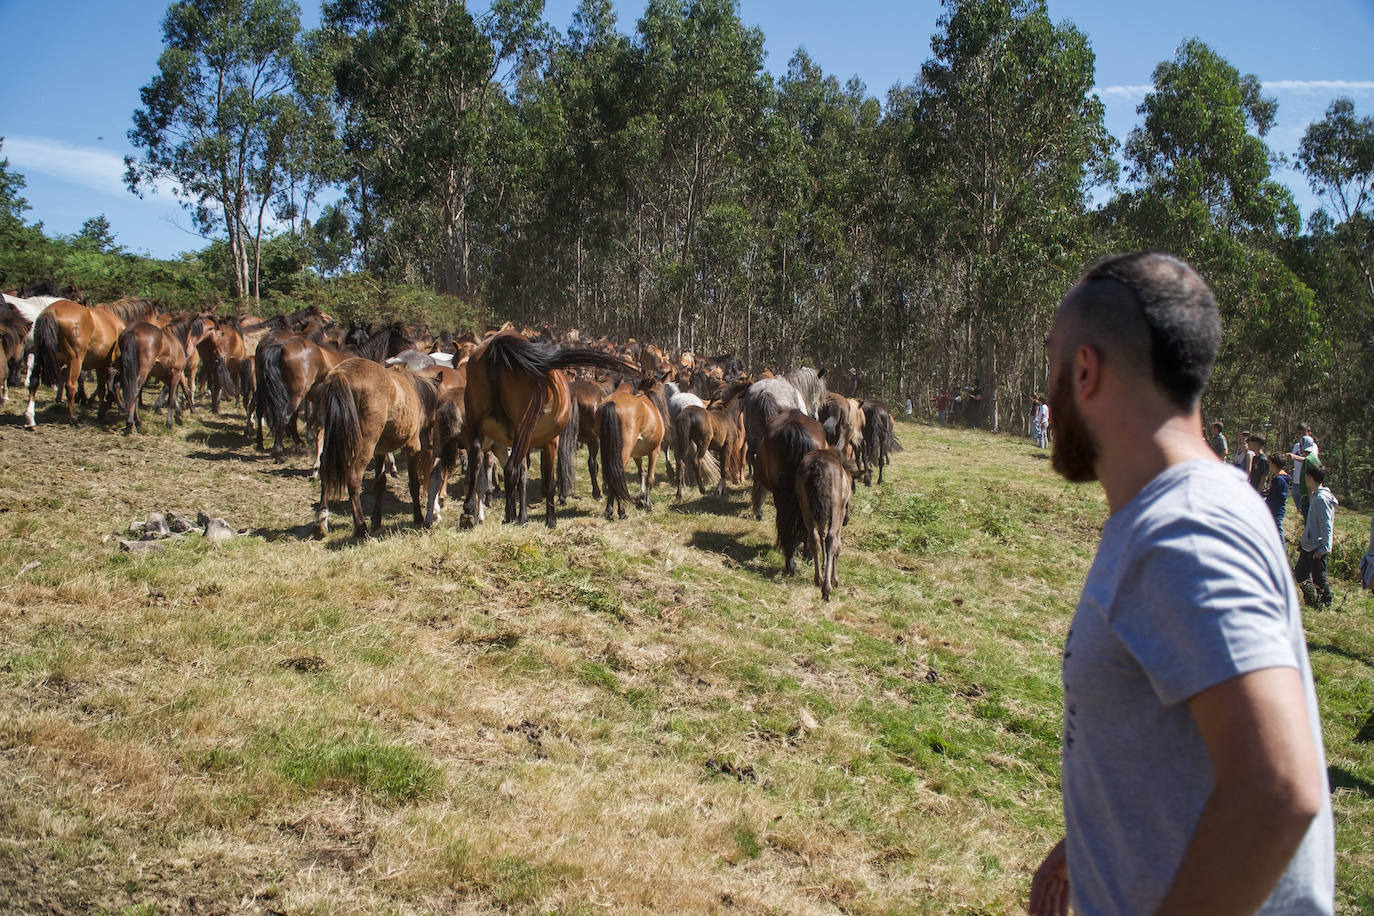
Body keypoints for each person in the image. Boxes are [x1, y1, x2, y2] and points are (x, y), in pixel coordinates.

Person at [1027, 252, 1332, 916]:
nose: (1046, 386)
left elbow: (1278, 789)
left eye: (1051, 360)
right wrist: (1089, 840)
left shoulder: (1185, 527)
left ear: (1084, 370)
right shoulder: (1180, 510)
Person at [1295, 464, 1337, 609]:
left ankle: (1325, 603)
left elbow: (1326, 525)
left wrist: (1324, 548)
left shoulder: (1321, 499)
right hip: (1309, 544)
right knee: (1300, 573)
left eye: (1306, 476)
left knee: (1319, 577)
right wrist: (1303, 540)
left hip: (1317, 547)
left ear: (1311, 478)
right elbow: (1312, 523)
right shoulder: (1315, 495)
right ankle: (1311, 599)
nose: (1305, 478)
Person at [1290, 435, 1320, 520]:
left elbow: (1309, 481)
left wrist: (1311, 500)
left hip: (1307, 498)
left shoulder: (1308, 460)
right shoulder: (1314, 458)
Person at [1266, 453, 1291, 542]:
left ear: (1274, 464)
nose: (1269, 465)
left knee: (1277, 530)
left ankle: (1282, 551)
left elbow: (1279, 495)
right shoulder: (1276, 477)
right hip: (1273, 507)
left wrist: (1268, 501)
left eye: (1270, 462)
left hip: (1277, 509)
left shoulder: (1279, 479)